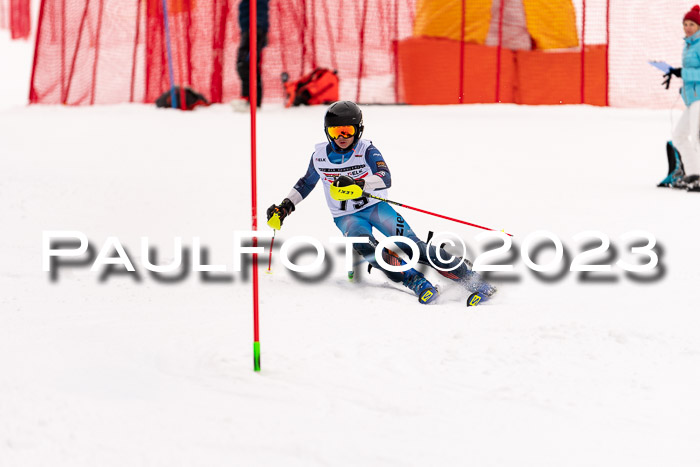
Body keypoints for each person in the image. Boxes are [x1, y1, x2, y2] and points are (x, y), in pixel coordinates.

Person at [266, 101, 497, 305]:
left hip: (377, 208)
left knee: (412, 246)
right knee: (367, 248)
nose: (342, 137)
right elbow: (306, 183)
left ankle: (473, 280)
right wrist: (286, 206)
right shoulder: (319, 156)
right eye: (336, 131)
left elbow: (385, 177)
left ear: (358, 130)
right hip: (346, 217)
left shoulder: (367, 149)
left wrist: (359, 183)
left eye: (347, 131)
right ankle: (415, 281)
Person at [661, 5, 700, 191]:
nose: (687, 27)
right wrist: (675, 73)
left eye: (692, 24)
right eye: (685, 23)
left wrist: (682, 72)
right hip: (693, 99)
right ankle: (693, 174)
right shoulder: (689, 45)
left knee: (697, 137)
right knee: (680, 135)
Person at [234, 0, 269, 111]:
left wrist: (257, 28)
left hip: (255, 28)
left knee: (246, 64)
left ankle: (252, 101)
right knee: (245, 64)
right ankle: (248, 99)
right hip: (248, 28)